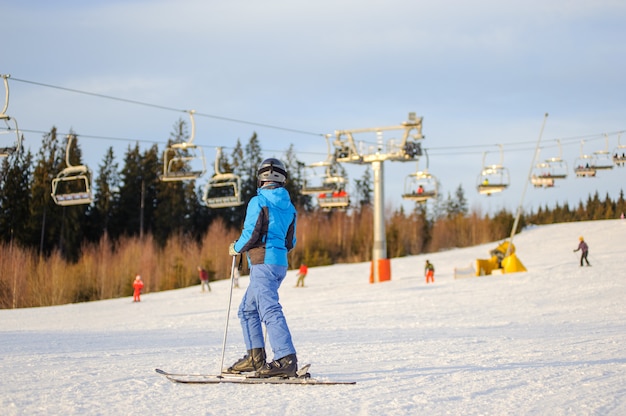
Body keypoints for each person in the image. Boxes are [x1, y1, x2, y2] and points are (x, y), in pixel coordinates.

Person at [226, 158, 298, 378]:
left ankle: (286, 358)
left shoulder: (258, 202)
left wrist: (236, 247)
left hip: (262, 262)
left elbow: (252, 233)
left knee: (269, 309)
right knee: (247, 309)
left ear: (261, 179)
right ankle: (255, 358)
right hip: (278, 263)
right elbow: (290, 241)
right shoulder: (290, 207)